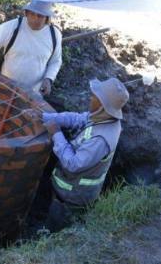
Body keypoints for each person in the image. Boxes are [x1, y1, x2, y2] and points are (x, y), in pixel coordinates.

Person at [41, 77, 129, 231]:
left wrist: (56, 133)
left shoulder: (101, 140)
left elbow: (73, 164)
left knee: (56, 227)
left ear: (103, 106)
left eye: (95, 97)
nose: (91, 98)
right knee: (50, 210)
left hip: (73, 196)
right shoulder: (102, 117)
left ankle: (47, 236)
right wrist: (45, 117)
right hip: (65, 189)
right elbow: (76, 118)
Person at [0, 0, 62, 95]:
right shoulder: (13, 27)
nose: (35, 19)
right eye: (32, 14)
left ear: (47, 18)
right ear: (26, 13)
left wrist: (49, 78)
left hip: (33, 94)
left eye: (40, 16)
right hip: (5, 88)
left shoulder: (54, 35)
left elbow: (55, 61)